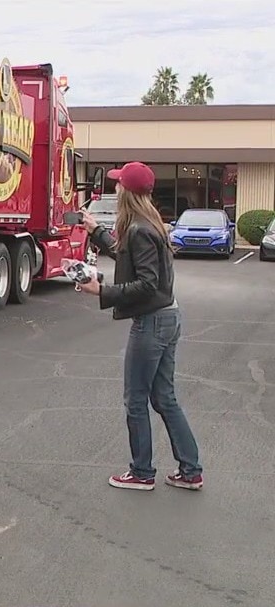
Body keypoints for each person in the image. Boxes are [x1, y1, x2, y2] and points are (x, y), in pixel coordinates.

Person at [78, 161, 204, 491]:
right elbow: (125, 255)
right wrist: (95, 230)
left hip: (152, 322)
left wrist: (102, 291)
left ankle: (142, 473)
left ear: (127, 192)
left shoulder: (139, 229)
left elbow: (147, 284)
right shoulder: (148, 225)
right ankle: (191, 471)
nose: (115, 187)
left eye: (119, 183)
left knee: (136, 400)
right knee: (164, 398)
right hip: (167, 316)